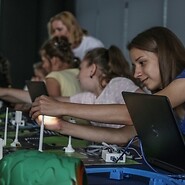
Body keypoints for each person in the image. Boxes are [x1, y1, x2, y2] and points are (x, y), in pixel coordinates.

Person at [30, 26, 185, 144]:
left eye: (142, 63)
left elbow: (132, 114)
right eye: (134, 66)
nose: (137, 73)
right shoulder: (158, 97)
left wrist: (62, 107)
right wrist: (60, 126)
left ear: (165, 54)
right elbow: (122, 136)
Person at [30, 45, 144, 145]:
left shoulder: (118, 83)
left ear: (92, 69)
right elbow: (56, 101)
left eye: (81, 68)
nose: (77, 76)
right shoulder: (91, 97)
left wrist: (60, 108)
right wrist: (58, 123)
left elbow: (141, 108)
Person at [0, 36, 81, 106]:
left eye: (44, 61)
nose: (43, 65)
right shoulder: (78, 73)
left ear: (54, 60)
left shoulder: (54, 77)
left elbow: (49, 106)